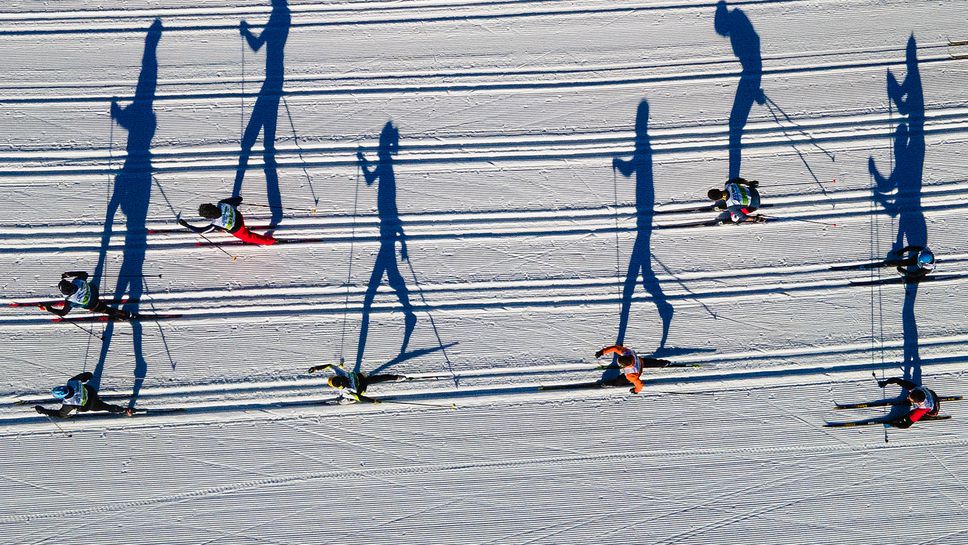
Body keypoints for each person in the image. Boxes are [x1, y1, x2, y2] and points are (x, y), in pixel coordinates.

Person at [178, 196, 277, 245]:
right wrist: (238, 201)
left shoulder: (216, 224)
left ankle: (270, 241)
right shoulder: (222, 203)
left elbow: (201, 231)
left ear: (210, 217)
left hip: (239, 230)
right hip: (239, 217)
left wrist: (187, 225)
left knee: (249, 238)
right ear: (212, 205)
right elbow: (238, 199)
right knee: (223, 227)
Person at [34, 372, 130, 418]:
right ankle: (124, 410)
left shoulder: (69, 403)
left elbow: (61, 414)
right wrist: (89, 376)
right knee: (107, 406)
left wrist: (43, 411)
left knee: (106, 407)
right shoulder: (71, 382)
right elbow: (86, 376)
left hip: (91, 405)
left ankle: (124, 410)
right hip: (91, 392)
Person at [44, 272, 131, 320]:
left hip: (93, 304)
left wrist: (50, 309)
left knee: (107, 310)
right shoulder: (77, 281)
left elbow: (63, 313)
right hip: (94, 291)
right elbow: (84, 274)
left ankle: (124, 315)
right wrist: (69, 274)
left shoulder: (70, 301)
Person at [307, 363, 405, 403]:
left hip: (361, 388)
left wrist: (373, 401)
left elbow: (360, 398)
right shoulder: (340, 373)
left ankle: (348, 401)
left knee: (345, 398)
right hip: (361, 377)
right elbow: (329, 366)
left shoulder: (345, 391)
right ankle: (398, 377)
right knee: (379, 378)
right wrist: (316, 368)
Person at [594, 345, 671, 393]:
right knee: (652, 362)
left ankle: (610, 383)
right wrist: (603, 351)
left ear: (625, 366)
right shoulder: (628, 352)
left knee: (620, 380)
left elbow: (639, 384)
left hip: (638, 371)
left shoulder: (631, 375)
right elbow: (615, 348)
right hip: (640, 361)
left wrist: (636, 390)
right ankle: (664, 363)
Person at [877, 377, 941, 428]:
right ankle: (908, 402)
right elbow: (898, 381)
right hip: (931, 394)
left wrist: (892, 424)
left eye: (910, 397)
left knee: (908, 415)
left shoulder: (923, 408)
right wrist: (886, 382)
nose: (908, 396)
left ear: (917, 403)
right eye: (909, 395)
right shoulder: (916, 389)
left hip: (933, 411)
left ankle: (908, 405)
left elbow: (906, 425)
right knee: (908, 398)